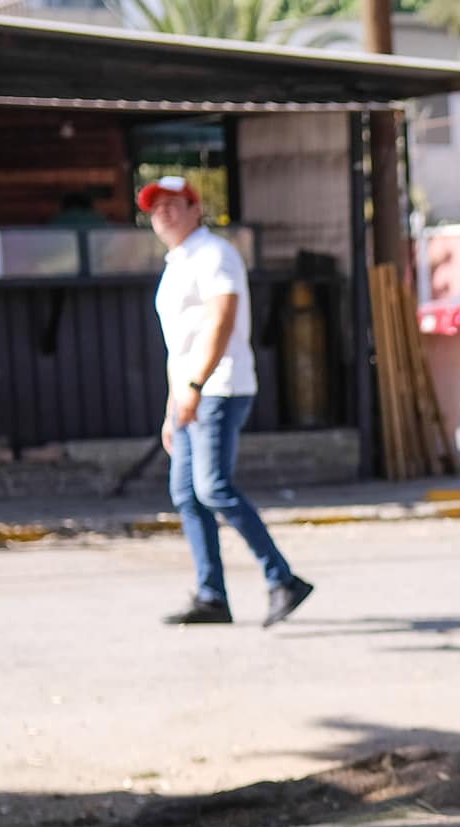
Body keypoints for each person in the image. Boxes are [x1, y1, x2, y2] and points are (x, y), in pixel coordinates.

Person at [141, 175, 314, 628]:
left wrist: (196, 387)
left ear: (196, 208)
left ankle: (283, 579)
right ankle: (211, 596)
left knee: (213, 488)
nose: (163, 213)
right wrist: (172, 404)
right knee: (187, 494)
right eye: (155, 207)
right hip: (190, 394)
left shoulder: (214, 254)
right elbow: (179, 343)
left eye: (173, 204)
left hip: (219, 388)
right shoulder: (176, 262)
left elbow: (222, 320)